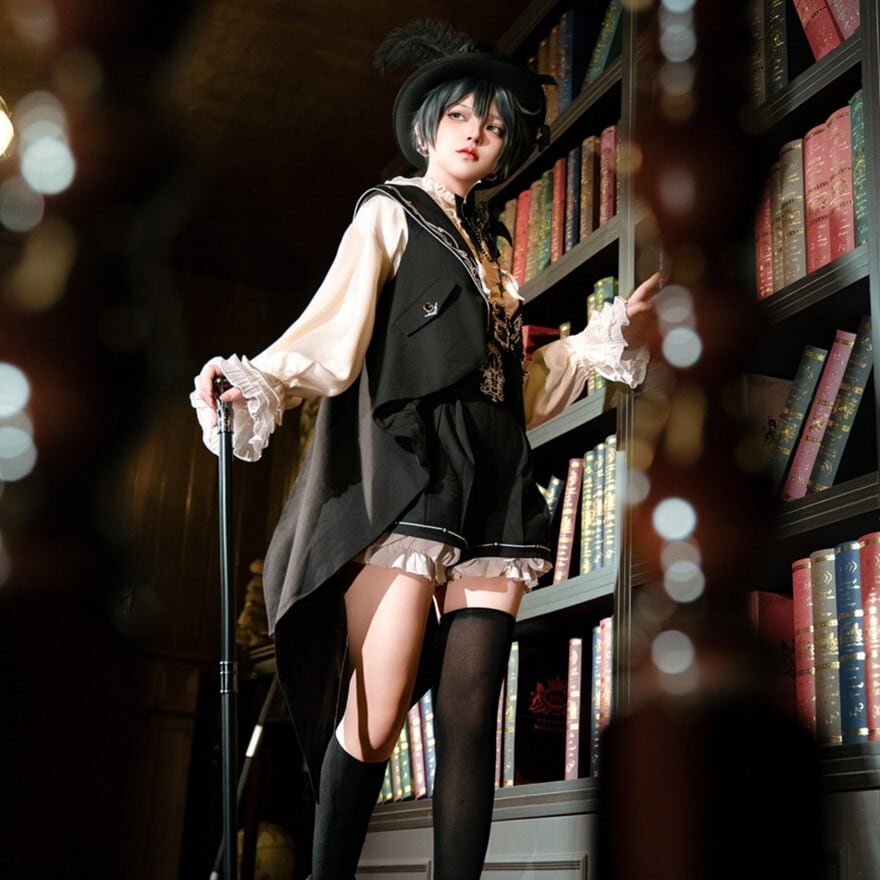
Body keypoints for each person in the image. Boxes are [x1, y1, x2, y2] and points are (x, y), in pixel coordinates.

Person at [192, 19, 660, 880]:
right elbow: (333, 332)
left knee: (471, 720)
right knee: (375, 718)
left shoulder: (494, 259)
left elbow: (512, 389)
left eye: (495, 126)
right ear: (427, 127)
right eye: (461, 117)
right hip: (413, 473)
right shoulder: (391, 213)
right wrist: (258, 379)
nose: (477, 134)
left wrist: (604, 336)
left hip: (496, 479)